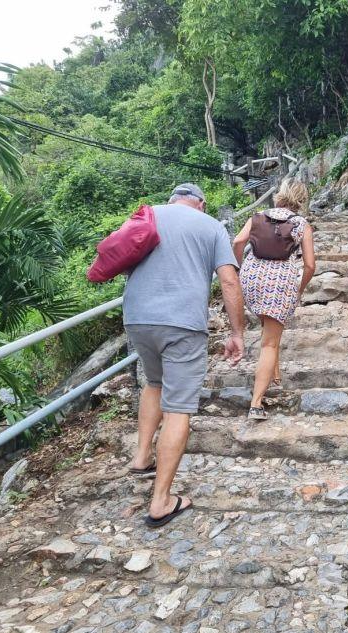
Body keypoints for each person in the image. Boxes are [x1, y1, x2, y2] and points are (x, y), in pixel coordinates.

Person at [123, 183, 245, 528]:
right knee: (178, 408)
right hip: (182, 325)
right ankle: (161, 501)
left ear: (172, 200)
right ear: (201, 204)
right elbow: (229, 281)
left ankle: (142, 456)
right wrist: (236, 333)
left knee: (154, 383)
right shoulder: (211, 226)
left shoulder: (148, 215)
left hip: (136, 318)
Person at [233, 178, 316, 420]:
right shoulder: (302, 224)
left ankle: (274, 371)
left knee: (267, 325)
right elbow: (310, 265)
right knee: (269, 342)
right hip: (281, 282)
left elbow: (238, 241)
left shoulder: (258, 216)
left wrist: (238, 268)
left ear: (280, 194)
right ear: (301, 199)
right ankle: (256, 403)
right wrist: (298, 288)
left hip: (252, 277)